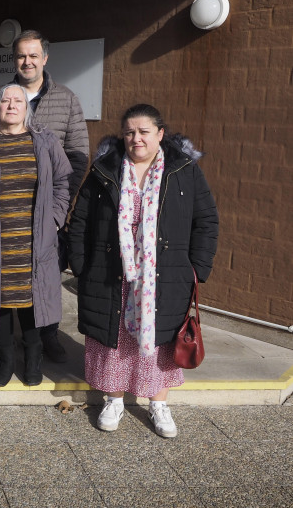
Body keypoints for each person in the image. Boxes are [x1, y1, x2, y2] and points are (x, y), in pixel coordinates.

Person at [68, 104, 218, 437]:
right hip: (112, 273)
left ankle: (158, 403)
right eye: (129, 132)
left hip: (163, 276)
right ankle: (114, 399)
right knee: (114, 340)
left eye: (144, 132)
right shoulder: (105, 169)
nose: (136, 139)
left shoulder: (183, 171)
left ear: (160, 134)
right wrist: (79, 264)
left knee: (162, 340)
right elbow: (80, 220)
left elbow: (206, 221)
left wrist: (196, 267)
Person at [0, 30, 89, 363]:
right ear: (15, 60)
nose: (27, 62)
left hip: (44, 213)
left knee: (45, 276)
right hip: (5, 211)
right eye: (21, 56)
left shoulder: (66, 98)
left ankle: (47, 335)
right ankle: (4, 341)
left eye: (33, 55)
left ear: (45, 58)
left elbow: (78, 155)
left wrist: (56, 212)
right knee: (5, 275)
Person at [0, 85, 71, 387]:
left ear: (27, 108)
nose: (11, 105)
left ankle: (34, 352)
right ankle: (7, 356)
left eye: (18, 101)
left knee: (31, 298)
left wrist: (54, 217)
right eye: (5, 100)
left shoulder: (45, 141)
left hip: (34, 237)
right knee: (0, 297)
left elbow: (63, 180)